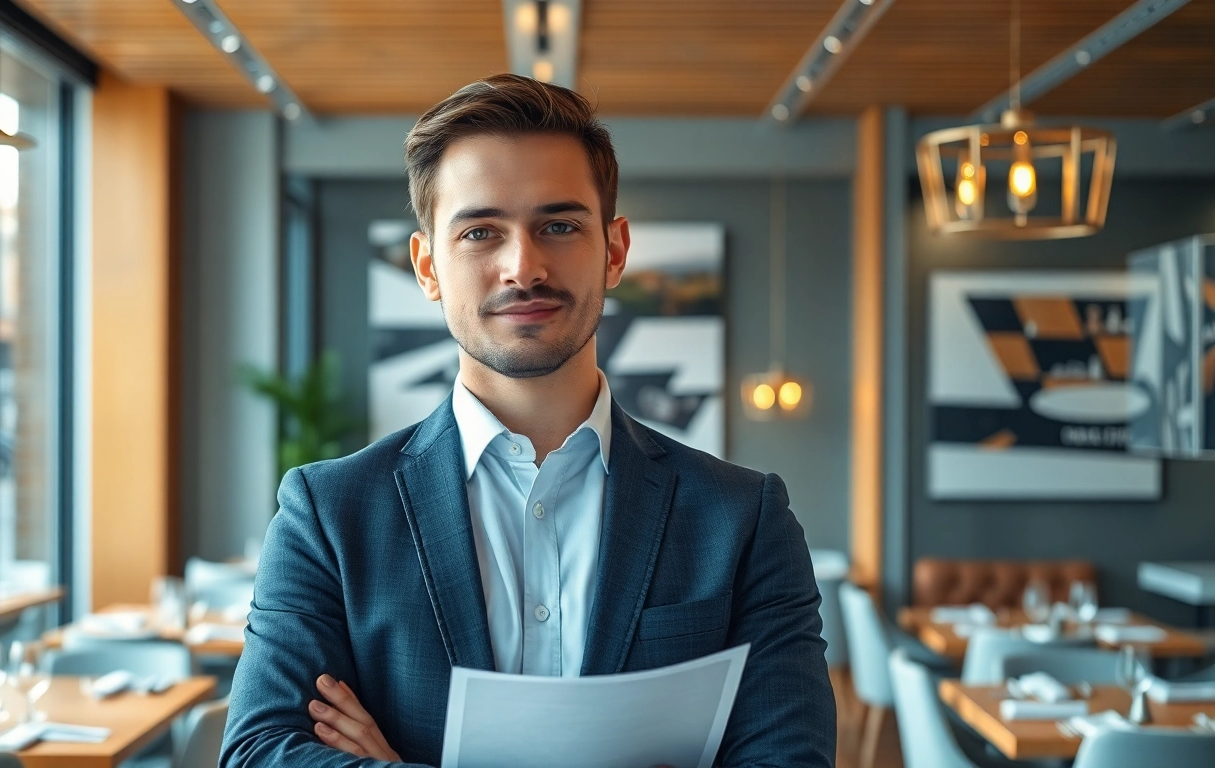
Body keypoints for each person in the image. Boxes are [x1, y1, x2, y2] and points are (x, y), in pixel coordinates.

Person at [221, 74, 835, 768]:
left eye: (559, 225)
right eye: (481, 231)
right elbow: (259, 753)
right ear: (427, 266)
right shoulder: (328, 515)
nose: (524, 266)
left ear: (614, 249)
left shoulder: (744, 518)